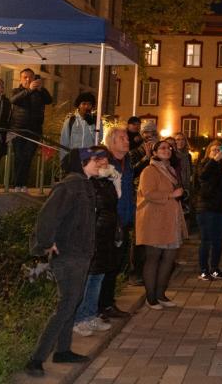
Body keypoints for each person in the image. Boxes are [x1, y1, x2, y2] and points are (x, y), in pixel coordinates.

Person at [24, 144, 100, 377]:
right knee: (67, 303)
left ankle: (63, 350)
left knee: (72, 300)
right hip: (68, 254)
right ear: (82, 163)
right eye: (96, 160)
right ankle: (36, 359)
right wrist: (46, 242)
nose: (101, 163)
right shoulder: (70, 186)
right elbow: (47, 216)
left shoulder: (84, 185)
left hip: (79, 252)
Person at [72, 147, 120, 337]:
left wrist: (116, 182)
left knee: (97, 277)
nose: (103, 162)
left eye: (105, 159)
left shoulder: (104, 181)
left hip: (104, 235)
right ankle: (78, 319)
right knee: (88, 278)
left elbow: (114, 203)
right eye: (98, 159)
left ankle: (90, 314)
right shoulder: (85, 182)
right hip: (92, 235)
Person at [136, 138, 187, 310]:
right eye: (163, 148)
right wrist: (171, 195)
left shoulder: (171, 169)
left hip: (170, 221)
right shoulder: (149, 171)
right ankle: (151, 298)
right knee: (153, 258)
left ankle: (161, 294)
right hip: (154, 221)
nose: (167, 150)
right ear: (155, 153)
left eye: (169, 148)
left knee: (169, 259)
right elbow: (148, 193)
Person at [98, 128, 134, 317]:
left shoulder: (127, 162)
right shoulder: (105, 162)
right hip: (110, 220)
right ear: (111, 142)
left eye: (127, 138)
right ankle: (101, 306)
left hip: (125, 219)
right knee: (106, 264)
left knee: (115, 264)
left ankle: (108, 303)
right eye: (122, 138)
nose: (127, 141)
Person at [9, 68, 53, 191]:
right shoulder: (16, 90)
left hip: (34, 130)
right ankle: (16, 184)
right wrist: (29, 90)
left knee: (28, 157)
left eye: (30, 77)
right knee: (18, 157)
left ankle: (23, 184)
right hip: (18, 130)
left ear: (34, 78)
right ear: (21, 79)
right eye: (25, 77)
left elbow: (49, 101)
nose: (28, 79)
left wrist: (41, 89)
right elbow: (14, 100)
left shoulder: (39, 92)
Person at [196, 142, 222, 281]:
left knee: (218, 241)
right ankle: (204, 270)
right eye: (214, 150)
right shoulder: (204, 164)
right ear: (208, 153)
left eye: (219, 150)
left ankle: (215, 269)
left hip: (221, 208)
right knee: (206, 240)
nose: (217, 152)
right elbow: (203, 176)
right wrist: (214, 161)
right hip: (206, 208)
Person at [59, 92, 97, 161]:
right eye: (84, 103)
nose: (86, 106)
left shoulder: (96, 121)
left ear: (92, 106)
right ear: (79, 105)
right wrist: (63, 161)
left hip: (90, 159)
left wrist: (91, 125)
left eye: (89, 104)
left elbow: (98, 140)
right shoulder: (70, 120)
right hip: (74, 158)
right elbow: (64, 142)